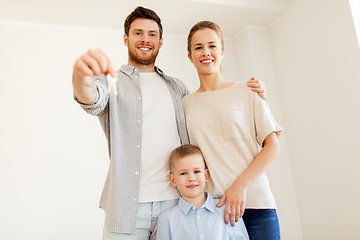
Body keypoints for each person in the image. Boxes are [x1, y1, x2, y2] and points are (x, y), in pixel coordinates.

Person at [72, 6, 267, 240]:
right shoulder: (111, 82)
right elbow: (91, 99)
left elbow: (210, 113)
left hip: (176, 205)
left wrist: (251, 92)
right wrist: (80, 75)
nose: (145, 39)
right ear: (126, 38)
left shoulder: (177, 87)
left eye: (152, 34)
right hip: (128, 209)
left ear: (161, 41)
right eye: (138, 33)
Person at [182, 21, 283, 240]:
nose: (206, 52)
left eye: (212, 46)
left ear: (222, 51)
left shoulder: (248, 91)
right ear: (190, 56)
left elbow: (272, 147)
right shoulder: (185, 104)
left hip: (256, 205)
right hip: (215, 209)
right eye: (198, 47)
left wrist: (241, 185)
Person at [156, 144, 249, 240]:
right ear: (173, 180)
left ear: (206, 175)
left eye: (196, 171)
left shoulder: (227, 210)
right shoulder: (167, 220)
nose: (191, 178)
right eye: (183, 173)